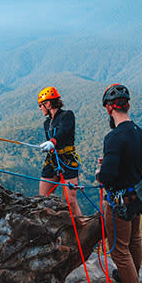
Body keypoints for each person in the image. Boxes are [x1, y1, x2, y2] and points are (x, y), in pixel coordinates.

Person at [95, 83, 142, 283]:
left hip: (119, 202)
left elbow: (106, 177)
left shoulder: (114, 137)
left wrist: (101, 169)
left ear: (109, 109)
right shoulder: (139, 132)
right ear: (127, 106)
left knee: (119, 250)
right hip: (136, 196)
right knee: (135, 240)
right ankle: (132, 278)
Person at [37, 86, 82, 217]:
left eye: (41, 105)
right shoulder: (47, 123)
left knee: (71, 202)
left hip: (67, 160)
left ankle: (82, 229)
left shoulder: (67, 115)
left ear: (48, 103)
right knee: (43, 199)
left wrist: (52, 142)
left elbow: (64, 131)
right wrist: (48, 145)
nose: (40, 108)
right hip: (52, 160)